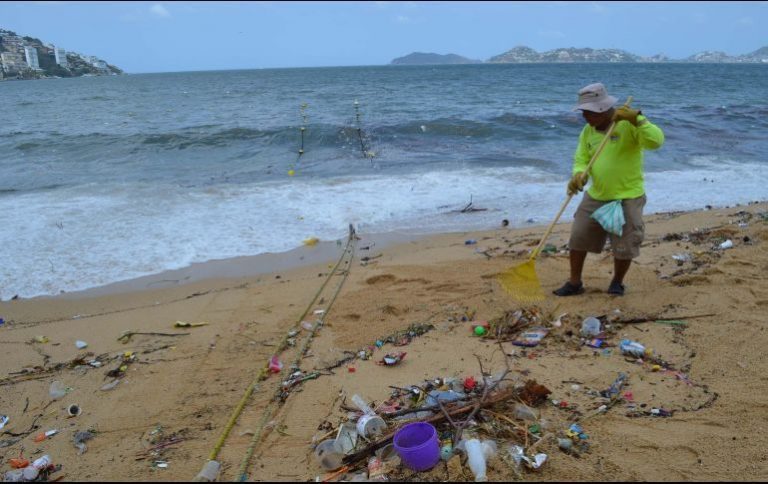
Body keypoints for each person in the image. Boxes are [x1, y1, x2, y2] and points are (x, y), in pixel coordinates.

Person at [553, 82, 664, 297]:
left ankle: (617, 282)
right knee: (578, 238)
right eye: (584, 112)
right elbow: (581, 158)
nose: (586, 117)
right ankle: (575, 283)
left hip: (628, 197)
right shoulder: (588, 131)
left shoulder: (629, 126)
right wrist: (579, 174)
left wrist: (638, 119)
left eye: (590, 113)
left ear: (604, 109)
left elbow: (656, 142)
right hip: (597, 195)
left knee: (625, 245)